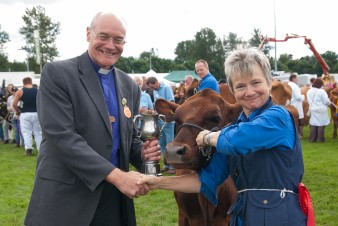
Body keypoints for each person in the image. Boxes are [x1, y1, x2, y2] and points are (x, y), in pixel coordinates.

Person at [138, 48, 309, 226]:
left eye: (256, 83)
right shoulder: (233, 128)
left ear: (269, 83)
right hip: (244, 217)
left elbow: (239, 139)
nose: (249, 92)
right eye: (240, 86)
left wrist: (206, 137)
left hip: (280, 217)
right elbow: (205, 181)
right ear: (233, 91)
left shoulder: (277, 117)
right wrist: (156, 182)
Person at [24, 12, 161, 226]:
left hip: (113, 200)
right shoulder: (58, 74)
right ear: (88, 34)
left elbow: (129, 138)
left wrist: (141, 152)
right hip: (67, 197)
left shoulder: (129, 85)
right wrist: (117, 175)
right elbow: (62, 137)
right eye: (103, 36)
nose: (110, 45)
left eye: (118, 40)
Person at [146, 76, 176, 174]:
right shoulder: (155, 90)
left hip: (168, 121)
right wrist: (154, 112)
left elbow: (171, 102)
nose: (152, 89)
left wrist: (167, 115)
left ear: (156, 82)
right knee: (162, 144)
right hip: (160, 121)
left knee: (170, 144)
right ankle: (166, 165)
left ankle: (173, 166)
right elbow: (156, 104)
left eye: (153, 87)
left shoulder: (166, 88)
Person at [13, 77, 42, 155]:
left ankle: (28, 150)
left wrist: (17, 111)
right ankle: (40, 150)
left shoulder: (20, 91)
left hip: (25, 113)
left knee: (26, 132)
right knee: (38, 132)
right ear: (31, 82)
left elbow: (14, 104)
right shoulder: (37, 90)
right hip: (36, 113)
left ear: (23, 83)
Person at [307, 78, 332, 142]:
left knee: (313, 124)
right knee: (321, 124)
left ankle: (312, 139)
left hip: (312, 109)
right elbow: (326, 101)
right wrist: (329, 102)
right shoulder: (321, 91)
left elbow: (308, 100)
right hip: (321, 109)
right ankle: (320, 139)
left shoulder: (309, 91)